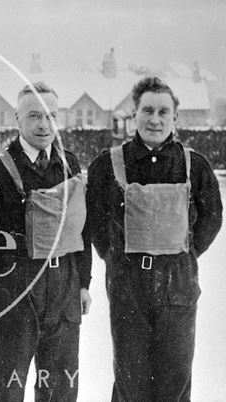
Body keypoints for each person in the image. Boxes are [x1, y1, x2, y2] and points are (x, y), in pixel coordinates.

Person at [87, 76, 223, 401]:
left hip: (178, 289)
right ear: (134, 114)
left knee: (174, 384)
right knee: (130, 384)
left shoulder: (196, 166)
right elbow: (95, 221)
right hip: (128, 289)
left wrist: (181, 255)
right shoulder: (107, 165)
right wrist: (117, 259)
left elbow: (211, 220)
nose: (155, 119)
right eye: (147, 110)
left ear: (175, 118)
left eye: (164, 111)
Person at [0, 82, 92, 401]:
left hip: (64, 283)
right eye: (35, 116)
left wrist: (84, 283)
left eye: (51, 116)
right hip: (15, 288)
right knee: (7, 384)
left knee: (62, 386)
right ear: (17, 119)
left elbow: (84, 228)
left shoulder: (70, 163)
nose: (44, 124)